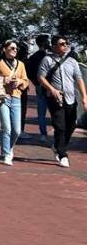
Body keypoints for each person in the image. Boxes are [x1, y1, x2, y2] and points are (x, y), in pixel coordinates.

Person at [38, 34, 87, 169]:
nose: (65, 45)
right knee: (60, 126)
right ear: (54, 46)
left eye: (66, 43)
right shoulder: (47, 60)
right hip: (55, 99)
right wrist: (52, 89)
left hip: (71, 98)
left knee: (71, 126)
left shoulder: (72, 61)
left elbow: (79, 79)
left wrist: (84, 97)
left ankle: (57, 146)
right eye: (62, 44)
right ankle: (62, 154)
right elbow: (41, 77)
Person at [0, 39, 29, 166]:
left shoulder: (20, 64)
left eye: (16, 48)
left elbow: (26, 80)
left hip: (16, 98)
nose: (15, 50)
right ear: (4, 49)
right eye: (12, 48)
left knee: (16, 130)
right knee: (7, 128)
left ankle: (10, 147)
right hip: (3, 98)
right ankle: (6, 154)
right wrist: (3, 80)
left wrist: (20, 82)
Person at [25, 34, 51, 143]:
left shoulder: (33, 57)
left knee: (41, 112)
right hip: (52, 86)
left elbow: (29, 73)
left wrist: (36, 83)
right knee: (55, 111)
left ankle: (43, 134)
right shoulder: (50, 56)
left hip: (40, 86)